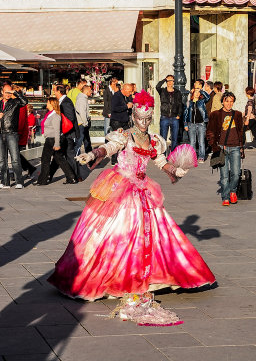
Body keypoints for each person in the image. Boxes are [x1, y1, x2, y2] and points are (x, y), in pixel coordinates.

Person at [48, 90, 215, 303]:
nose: (143, 123)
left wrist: (176, 171)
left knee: (156, 231)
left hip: (143, 188)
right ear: (133, 116)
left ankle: (152, 275)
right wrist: (92, 154)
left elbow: (162, 162)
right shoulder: (125, 135)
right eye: (140, 118)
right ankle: (112, 274)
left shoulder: (154, 140)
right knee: (115, 232)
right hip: (122, 187)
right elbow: (108, 148)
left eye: (147, 119)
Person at [207, 92, 244, 206]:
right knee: (224, 176)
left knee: (236, 173)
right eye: (227, 101)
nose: (229, 103)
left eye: (231, 101)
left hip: (235, 147)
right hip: (222, 148)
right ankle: (225, 197)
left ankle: (233, 191)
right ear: (223, 101)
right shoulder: (215, 115)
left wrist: (241, 146)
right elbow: (210, 131)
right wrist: (214, 146)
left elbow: (241, 131)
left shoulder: (237, 114)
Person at [37, 98, 76, 185]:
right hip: (52, 139)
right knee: (60, 159)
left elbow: (57, 131)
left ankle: (42, 180)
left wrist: (57, 144)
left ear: (52, 104)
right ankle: (71, 177)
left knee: (45, 159)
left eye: (48, 102)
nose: (46, 104)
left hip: (52, 139)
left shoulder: (55, 116)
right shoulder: (50, 114)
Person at [49, 85, 80, 183]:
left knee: (68, 155)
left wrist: (62, 129)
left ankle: (73, 176)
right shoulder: (63, 101)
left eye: (55, 91)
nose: (54, 93)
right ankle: (50, 175)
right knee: (59, 155)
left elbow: (70, 119)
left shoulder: (66, 102)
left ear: (59, 92)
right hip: (65, 133)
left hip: (68, 134)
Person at [0, 84, 28, 189]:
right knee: (2, 160)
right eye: (6, 92)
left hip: (11, 133)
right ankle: (5, 181)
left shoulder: (15, 102)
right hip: (0, 133)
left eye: (9, 92)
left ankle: (19, 181)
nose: (8, 94)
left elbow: (25, 102)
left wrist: (15, 93)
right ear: (2, 92)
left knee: (15, 159)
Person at [184, 83, 210, 163]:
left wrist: (201, 90)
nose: (197, 93)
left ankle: (201, 157)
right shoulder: (189, 102)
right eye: (196, 92)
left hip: (201, 124)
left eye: (198, 93)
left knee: (201, 141)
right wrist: (185, 124)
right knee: (192, 142)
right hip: (191, 124)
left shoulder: (202, 101)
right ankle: (193, 157)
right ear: (193, 93)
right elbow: (185, 113)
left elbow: (208, 97)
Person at [156, 75, 182, 152]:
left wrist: (179, 115)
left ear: (174, 82)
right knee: (163, 137)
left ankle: (173, 153)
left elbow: (180, 104)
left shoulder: (177, 92)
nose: (170, 82)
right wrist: (164, 79)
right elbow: (157, 86)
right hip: (164, 117)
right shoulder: (162, 91)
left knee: (174, 138)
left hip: (174, 117)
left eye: (172, 81)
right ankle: (163, 154)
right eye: (168, 81)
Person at [74, 85, 93, 156]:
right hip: (81, 124)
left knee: (86, 141)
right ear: (86, 91)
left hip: (83, 123)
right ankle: (76, 159)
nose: (91, 92)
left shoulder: (83, 98)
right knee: (79, 142)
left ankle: (90, 157)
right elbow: (82, 112)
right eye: (90, 91)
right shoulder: (82, 99)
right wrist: (85, 123)